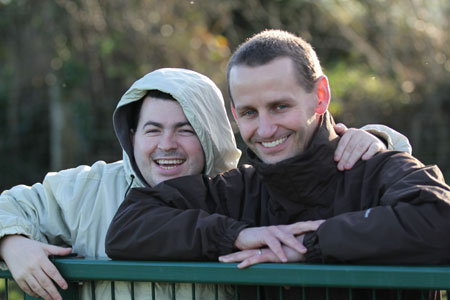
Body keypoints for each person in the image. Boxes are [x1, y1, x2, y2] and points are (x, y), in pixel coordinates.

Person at [0, 66, 404, 300]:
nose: (166, 145)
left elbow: (321, 171)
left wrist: (376, 138)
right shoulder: (85, 189)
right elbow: (11, 207)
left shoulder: (240, 189)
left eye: (185, 130)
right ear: (131, 135)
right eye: (152, 130)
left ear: (212, 133)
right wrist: (12, 244)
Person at [105, 30, 450, 300]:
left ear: (320, 96)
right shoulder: (235, 190)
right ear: (235, 113)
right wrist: (235, 235)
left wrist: (313, 244)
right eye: (250, 113)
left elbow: (440, 219)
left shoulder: (378, 168)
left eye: (280, 107)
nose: (266, 130)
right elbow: (129, 225)